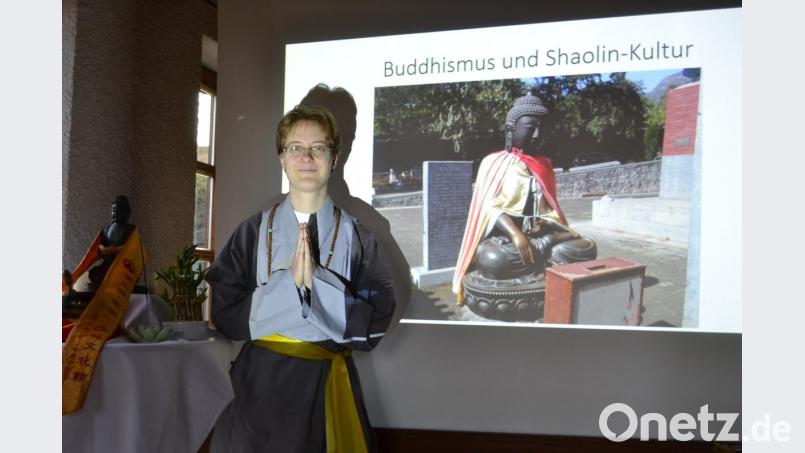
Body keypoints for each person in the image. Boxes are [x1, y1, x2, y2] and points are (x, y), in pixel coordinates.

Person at [207, 105, 396, 453]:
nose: (306, 157)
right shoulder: (252, 232)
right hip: (257, 386)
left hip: (324, 383)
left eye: (319, 147)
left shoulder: (361, 238)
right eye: (295, 147)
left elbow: (376, 322)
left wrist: (315, 286)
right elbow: (224, 312)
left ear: (334, 157)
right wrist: (287, 286)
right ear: (281, 156)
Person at [452, 94, 596, 313]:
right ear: (512, 128)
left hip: (538, 234)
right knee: (492, 259)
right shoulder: (494, 162)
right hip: (503, 239)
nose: (537, 135)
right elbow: (487, 208)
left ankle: (544, 250)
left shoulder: (543, 164)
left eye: (541, 129)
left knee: (585, 247)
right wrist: (516, 234)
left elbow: (550, 209)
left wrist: (545, 227)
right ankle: (543, 257)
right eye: (530, 127)